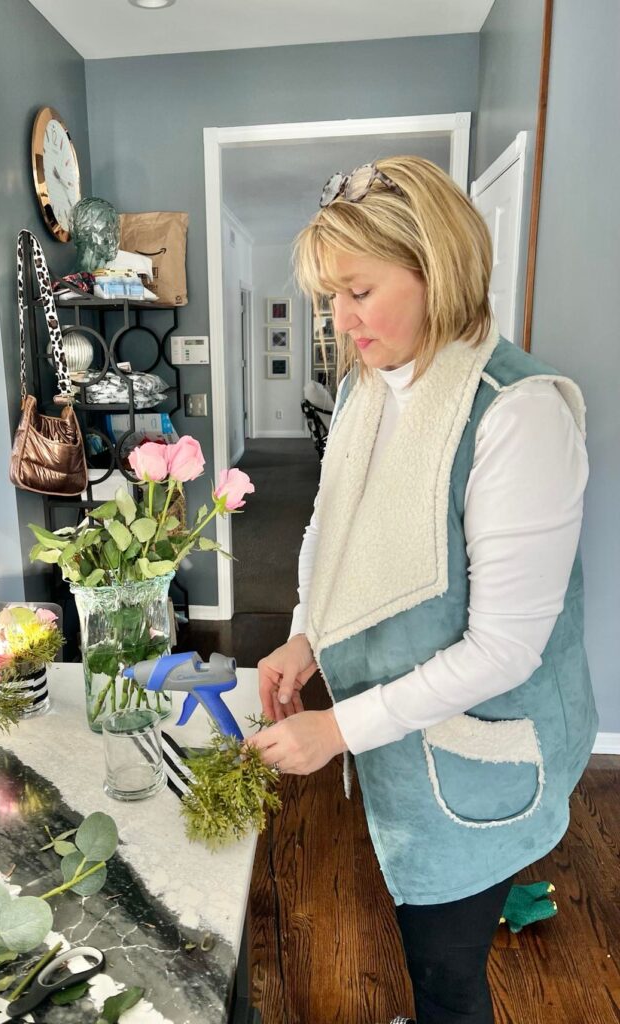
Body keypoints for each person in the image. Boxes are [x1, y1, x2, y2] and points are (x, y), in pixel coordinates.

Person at [246, 157, 597, 1024]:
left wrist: (337, 728)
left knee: (447, 975)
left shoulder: (519, 415)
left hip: (475, 748)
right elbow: (336, 532)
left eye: (359, 291)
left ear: (435, 269)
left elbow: (504, 649)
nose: (342, 321)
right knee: (420, 931)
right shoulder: (374, 387)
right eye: (332, 297)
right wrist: (304, 635)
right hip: (402, 740)